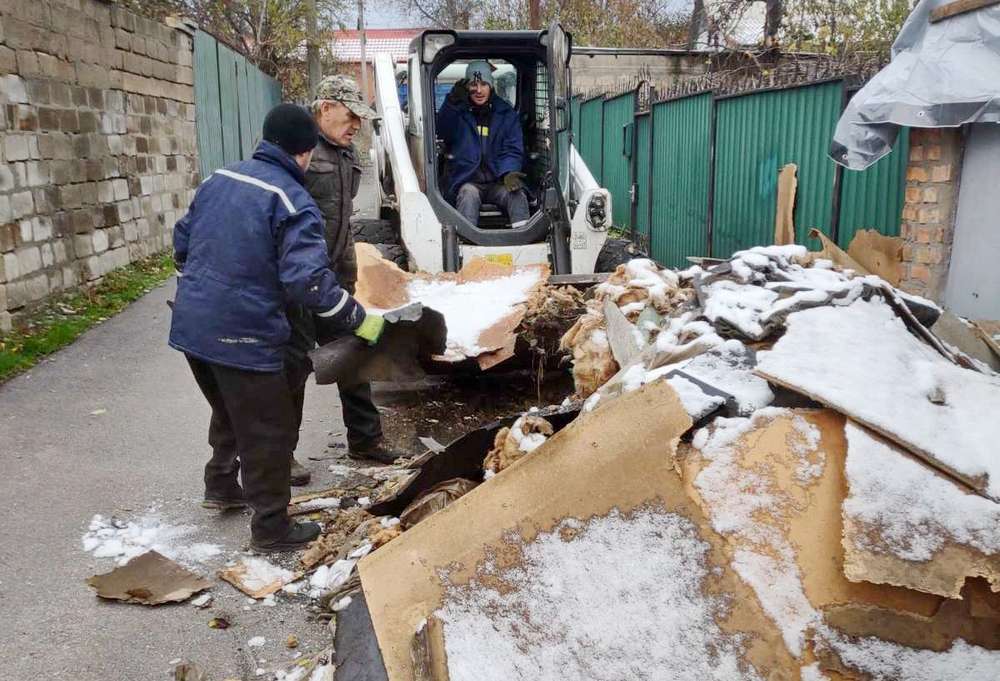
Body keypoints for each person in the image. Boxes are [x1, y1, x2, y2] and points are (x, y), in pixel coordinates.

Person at [169, 103, 385, 552]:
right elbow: (308, 282)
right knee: (269, 426)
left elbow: (182, 243)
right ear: (305, 152)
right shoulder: (292, 198)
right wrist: (358, 319)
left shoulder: (220, 178)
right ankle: (271, 527)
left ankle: (222, 485)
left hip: (192, 328)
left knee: (230, 406)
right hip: (245, 334)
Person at [283, 74, 405, 472]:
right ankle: (282, 457)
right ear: (325, 108)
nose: (356, 125)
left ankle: (365, 441)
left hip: (335, 277)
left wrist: (349, 274)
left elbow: (343, 223)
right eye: (351, 115)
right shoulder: (296, 147)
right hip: (301, 281)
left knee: (355, 354)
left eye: (360, 118)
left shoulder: (346, 153)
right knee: (295, 367)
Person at [436, 60, 530, 228]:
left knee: (517, 195)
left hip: (498, 181)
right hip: (468, 181)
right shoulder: (457, 113)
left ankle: (524, 241)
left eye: (484, 84)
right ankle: (466, 244)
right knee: (468, 195)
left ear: (491, 86)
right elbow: (442, 131)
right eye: (473, 84)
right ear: (466, 87)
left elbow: (513, 149)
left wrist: (509, 172)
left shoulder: (506, 114)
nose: (479, 90)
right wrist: (451, 102)